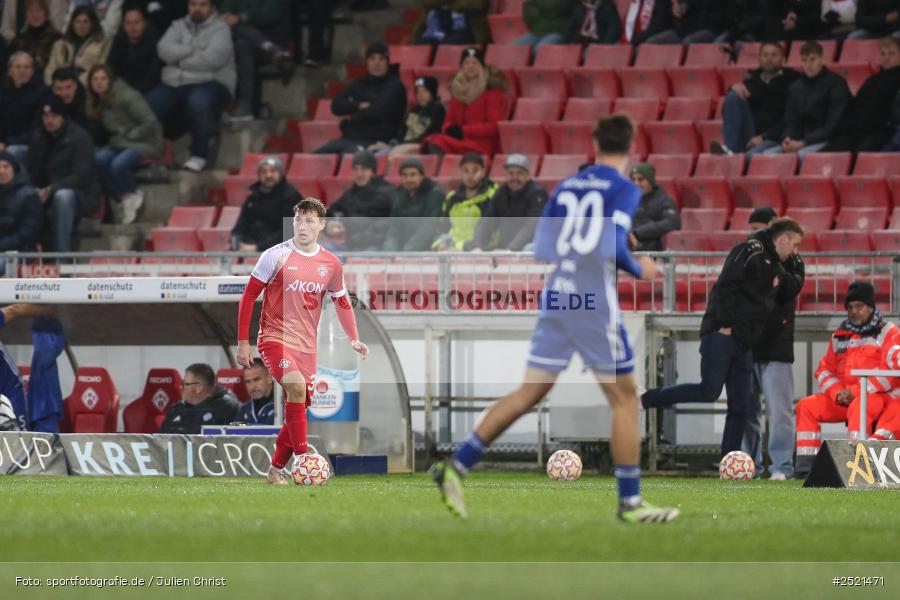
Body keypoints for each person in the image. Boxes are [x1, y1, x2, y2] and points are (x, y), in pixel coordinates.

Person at [431, 115, 679, 523]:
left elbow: (542, 248)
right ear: (632, 145)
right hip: (591, 299)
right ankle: (630, 502)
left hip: (557, 295)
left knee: (530, 392)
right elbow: (613, 243)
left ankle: (456, 465)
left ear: (595, 142)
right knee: (626, 398)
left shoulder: (566, 187)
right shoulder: (622, 189)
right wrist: (640, 269)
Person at [641, 218, 805, 457]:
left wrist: (797, 266)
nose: (795, 252)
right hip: (723, 334)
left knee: (740, 406)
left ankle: (728, 460)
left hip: (745, 341)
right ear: (782, 239)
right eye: (795, 245)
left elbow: (789, 288)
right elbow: (725, 286)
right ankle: (647, 398)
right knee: (709, 390)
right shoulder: (749, 251)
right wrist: (725, 323)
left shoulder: (774, 264)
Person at [236, 197, 369, 485]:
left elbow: (342, 301)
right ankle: (304, 457)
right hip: (274, 337)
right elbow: (248, 297)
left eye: (310, 220)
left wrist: (354, 339)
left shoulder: (331, 264)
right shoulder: (275, 256)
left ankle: (274, 472)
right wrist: (243, 341)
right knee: (295, 388)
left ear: (321, 225)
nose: (303, 225)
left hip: (307, 346)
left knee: (298, 403)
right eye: (298, 219)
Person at [794, 282, 900, 473]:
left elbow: (888, 376)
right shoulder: (839, 335)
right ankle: (805, 468)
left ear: (871, 307)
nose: (854, 311)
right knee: (806, 406)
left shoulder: (888, 332)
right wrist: (837, 393)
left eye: (859, 306)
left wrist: (854, 393)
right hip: (843, 398)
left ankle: (855, 465)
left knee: (860, 407)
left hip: (877, 396)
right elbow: (824, 370)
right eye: (850, 307)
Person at [742, 210, 804, 480]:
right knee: (746, 411)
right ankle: (749, 465)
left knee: (780, 412)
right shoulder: (750, 257)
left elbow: (789, 288)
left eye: (760, 229)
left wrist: (773, 267)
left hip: (777, 347)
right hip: (748, 345)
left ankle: (781, 467)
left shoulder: (792, 261)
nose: (755, 235)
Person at [147, 0, 236, 172]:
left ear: (211, 7)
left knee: (198, 102)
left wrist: (178, 60)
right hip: (177, 83)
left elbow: (213, 60)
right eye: (193, 4)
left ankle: (199, 154)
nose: (197, 8)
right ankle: (155, 154)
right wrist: (192, 51)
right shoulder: (177, 26)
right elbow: (163, 50)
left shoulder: (220, 29)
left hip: (212, 82)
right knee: (149, 103)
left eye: (203, 5)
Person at [86, 64, 163, 224]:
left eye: (103, 78)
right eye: (95, 79)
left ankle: (134, 193)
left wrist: (132, 135)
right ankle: (126, 197)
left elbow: (150, 122)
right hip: (121, 142)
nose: (99, 83)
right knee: (97, 160)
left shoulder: (127, 95)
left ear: (110, 80)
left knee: (118, 165)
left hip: (145, 141)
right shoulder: (98, 101)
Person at [751, 41, 851, 159]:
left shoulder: (836, 83)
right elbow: (791, 120)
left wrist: (804, 142)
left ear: (822, 59)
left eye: (812, 59)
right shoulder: (796, 87)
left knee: (802, 156)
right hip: (801, 140)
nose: (808, 65)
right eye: (804, 60)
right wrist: (787, 138)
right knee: (768, 155)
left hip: (829, 140)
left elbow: (832, 125)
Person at [25, 95, 100, 251]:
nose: (49, 120)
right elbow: (31, 171)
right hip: (46, 191)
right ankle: (25, 254)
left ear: (63, 117)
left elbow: (82, 176)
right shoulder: (39, 137)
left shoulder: (80, 138)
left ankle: (62, 259)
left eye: (54, 116)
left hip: (81, 194)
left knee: (63, 196)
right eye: (45, 116)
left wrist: (51, 189)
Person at [314, 43, 407, 154]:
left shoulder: (395, 86)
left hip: (376, 141)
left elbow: (377, 112)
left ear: (387, 62)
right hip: (348, 138)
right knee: (314, 157)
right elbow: (336, 106)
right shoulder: (359, 83)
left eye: (381, 59)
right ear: (367, 62)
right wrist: (358, 105)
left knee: (348, 159)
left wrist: (354, 111)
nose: (377, 62)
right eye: (372, 58)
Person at [710, 42, 799, 156]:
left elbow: (792, 118)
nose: (769, 59)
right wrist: (732, 89)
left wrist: (764, 136)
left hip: (775, 137)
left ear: (783, 59)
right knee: (733, 96)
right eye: (765, 55)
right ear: (759, 58)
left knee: (751, 157)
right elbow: (727, 112)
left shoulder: (794, 82)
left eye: (774, 55)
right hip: (750, 134)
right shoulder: (751, 81)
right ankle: (730, 149)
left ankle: (733, 155)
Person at [422, 47, 508, 156]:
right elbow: (448, 121)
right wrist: (448, 129)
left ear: (482, 67)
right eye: (466, 63)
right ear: (462, 67)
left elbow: (495, 126)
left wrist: (463, 131)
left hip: (481, 145)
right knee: (431, 141)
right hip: (459, 142)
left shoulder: (492, 93)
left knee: (436, 142)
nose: (470, 66)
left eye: (475, 63)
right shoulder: (457, 92)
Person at [823, 37, 900, 153]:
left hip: (882, 132)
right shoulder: (872, 80)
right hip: (856, 132)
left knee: (859, 155)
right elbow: (855, 105)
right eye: (883, 53)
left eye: (891, 53)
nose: (886, 57)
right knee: (827, 153)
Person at [219, 0, 291, 121]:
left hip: (271, 35)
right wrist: (229, 18)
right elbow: (224, 12)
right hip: (241, 40)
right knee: (241, 43)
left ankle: (245, 105)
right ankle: (269, 47)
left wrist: (240, 17)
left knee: (241, 40)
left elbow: (268, 17)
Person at [466, 154, 547, 252]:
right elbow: (486, 221)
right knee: (469, 245)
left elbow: (531, 227)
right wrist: (478, 246)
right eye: (510, 173)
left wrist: (511, 249)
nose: (514, 178)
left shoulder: (537, 193)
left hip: (527, 247)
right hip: (505, 248)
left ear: (527, 175)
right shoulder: (501, 192)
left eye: (519, 173)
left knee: (528, 249)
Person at [322, 149, 393, 251]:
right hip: (350, 245)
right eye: (356, 169)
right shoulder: (350, 194)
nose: (359, 174)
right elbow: (330, 212)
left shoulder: (387, 193)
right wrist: (328, 225)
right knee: (321, 252)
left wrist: (347, 226)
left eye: (363, 169)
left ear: (373, 172)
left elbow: (384, 227)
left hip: (375, 246)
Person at [231, 155, 302, 251]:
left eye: (273, 171)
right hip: (250, 246)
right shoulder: (253, 197)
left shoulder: (291, 196)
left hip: (280, 250)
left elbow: (289, 232)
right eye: (264, 172)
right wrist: (236, 240)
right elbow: (240, 224)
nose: (268, 175)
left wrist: (258, 248)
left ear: (281, 173)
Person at [432, 152, 497, 251]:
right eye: (466, 171)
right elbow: (442, 228)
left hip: (478, 252)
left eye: (475, 171)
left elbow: (488, 232)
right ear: (460, 172)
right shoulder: (451, 198)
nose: (470, 176)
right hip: (450, 250)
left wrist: (459, 247)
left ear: (483, 172)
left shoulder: (492, 196)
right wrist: (438, 244)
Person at [370, 76, 445, 157]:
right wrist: (396, 143)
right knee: (372, 151)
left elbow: (430, 135)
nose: (420, 95)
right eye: (418, 92)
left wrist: (402, 144)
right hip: (404, 144)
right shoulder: (414, 110)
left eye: (425, 91)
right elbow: (402, 130)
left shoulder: (438, 110)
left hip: (421, 145)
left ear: (432, 92)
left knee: (393, 153)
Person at [382, 157, 444, 252]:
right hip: (402, 250)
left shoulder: (434, 193)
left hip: (425, 251)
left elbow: (427, 228)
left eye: (413, 175)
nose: (408, 179)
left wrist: (407, 253)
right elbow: (393, 229)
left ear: (422, 176)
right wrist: (388, 253)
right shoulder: (399, 193)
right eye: (404, 175)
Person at [159, 363, 241, 434]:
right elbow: (159, 442)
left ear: (198, 388)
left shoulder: (228, 409)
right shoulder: (176, 409)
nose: (181, 387)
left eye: (185, 384)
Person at [44, 5, 111, 85]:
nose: (81, 26)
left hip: (87, 87)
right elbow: (50, 70)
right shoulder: (60, 44)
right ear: (72, 23)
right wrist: (56, 86)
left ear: (92, 23)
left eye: (85, 22)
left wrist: (76, 83)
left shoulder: (103, 44)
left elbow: (101, 70)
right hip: (60, 88)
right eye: (77, 21)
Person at [0, 52, 48, 161]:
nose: (22, 71)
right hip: (4, 141)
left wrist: (7, 143)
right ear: (10, 71)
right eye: (18, 67)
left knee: (12, 151)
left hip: (27, 144)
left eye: (27, 67)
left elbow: (38, 129)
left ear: (32, 71)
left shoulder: (42, 93)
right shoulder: (3, 91)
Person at [107, 3, 162, 94]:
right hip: (122, 88)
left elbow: (153, 76)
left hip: (148, 89)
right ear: (123, 25)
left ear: (144, 23)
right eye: (128, 23)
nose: (133, 27)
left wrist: (133, 92)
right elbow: (110, 68)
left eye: (137, 22)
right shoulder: (119, 41)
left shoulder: (154, 42)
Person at [628, 162, 680, 252]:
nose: (636, 183)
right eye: (633, 180)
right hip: (627, 250)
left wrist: (637, 233)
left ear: (650, 180)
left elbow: (673, 222)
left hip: (649, 253)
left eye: (641, 179)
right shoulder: (628, 200)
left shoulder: (663, 201)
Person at [0, 151, 42, 254]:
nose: (1, 171)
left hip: (20, 252)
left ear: (14, 169)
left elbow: (27, 234)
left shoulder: (29, 195)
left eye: (6, 167)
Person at [50, 67, 105, 144]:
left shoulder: (88, 103)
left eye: (68, 87)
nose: (64, 93)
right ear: (53, 89)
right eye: (59, 89)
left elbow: (95, 135)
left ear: (75, 86)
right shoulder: (48, 101)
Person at [9, 0, 62, 75]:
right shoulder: (19, 39)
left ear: (46, 14)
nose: (34, 14)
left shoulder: (56, 38)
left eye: (38, 10)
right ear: (26, 14)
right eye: (30, 10)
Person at [640, 0, 729, 44]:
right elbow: (683, 9)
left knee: (688, 41)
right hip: (684, 30)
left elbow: (721, 15)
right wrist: (678, 10)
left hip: (711, 29)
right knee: (652, 42)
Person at [411, 0, 490, 46]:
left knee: (451, 44)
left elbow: (478, 4)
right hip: (435, 28)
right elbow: (427, 2)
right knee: (422, 43)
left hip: (465, 28)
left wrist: (448, 5)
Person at [0, 0, 67, 43]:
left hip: (48, 43)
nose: (34, 14)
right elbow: (5, 28)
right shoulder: (11, 2)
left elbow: (58, 26)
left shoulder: (57, 1)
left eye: (38, 10)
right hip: (18, 46)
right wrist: (16, 41)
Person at [234, 358, 276, 424]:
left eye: (256, 380)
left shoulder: (282, 406)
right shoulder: (244, 409)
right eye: (248, 382)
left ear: (269, 378)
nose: (252, 387)